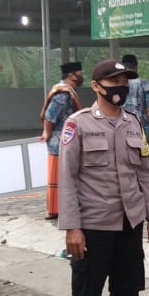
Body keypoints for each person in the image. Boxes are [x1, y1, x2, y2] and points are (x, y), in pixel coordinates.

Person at [57, 59, 149, 296]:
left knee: (126, 294)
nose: (120, 87)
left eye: (124, 82)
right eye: (114, 81)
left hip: (130, 223)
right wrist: (72, 227)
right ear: (96, 86)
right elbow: (67, 178)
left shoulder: (133, 122)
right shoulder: (78, 124)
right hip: (93, 226)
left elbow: (143, 172)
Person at [40, 61, 84, 220]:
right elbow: (50, 116)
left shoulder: (68, 91)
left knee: (64, 175)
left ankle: (62, 207)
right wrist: (47, 132)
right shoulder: (62, 94)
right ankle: (54, 209)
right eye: (80, 74)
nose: (82, 77)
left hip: (66, 140)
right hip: (59, 141)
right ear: (72, 75)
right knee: (57, 176)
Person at [120, 54, 149, 172]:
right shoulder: (144, 83)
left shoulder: (119, 84)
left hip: (123, 129)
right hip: (143, 130)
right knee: (145, 162)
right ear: (136, 66)